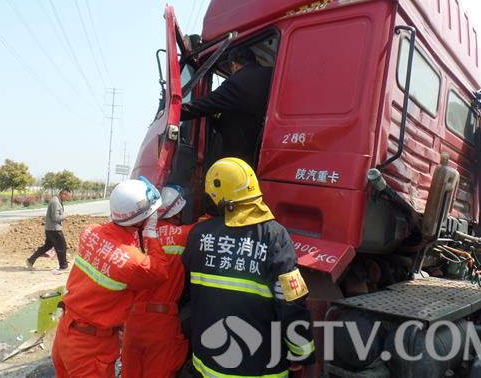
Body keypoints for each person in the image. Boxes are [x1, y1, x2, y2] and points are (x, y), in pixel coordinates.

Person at [182, 158, 315, 378]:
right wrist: (301, 352)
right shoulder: (275, 235)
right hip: (261, 367)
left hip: (207, 364)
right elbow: (292, 300)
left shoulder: (199, 234)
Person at [51, 177, 170, 378]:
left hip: (66, 331)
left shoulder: (89, 232)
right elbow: (160, 272)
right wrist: (150, 233)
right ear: (144, 218)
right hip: (90, 348)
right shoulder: (132, 262)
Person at [121, 185, 192, 378]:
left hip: (133, 321)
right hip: (162, 322)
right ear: (179, 212)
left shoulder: (134, 238)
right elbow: (211, 225)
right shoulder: (185, 234)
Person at [180, 46, 272, 166]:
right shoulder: (271, 73)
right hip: (268, 150)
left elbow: (206, 104)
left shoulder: (237, 82)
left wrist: (176, 112)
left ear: (234, 65)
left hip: (241, 161)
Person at [26, 189, 71, 271]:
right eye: (67, 196)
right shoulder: (55, 202)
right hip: (54, 229)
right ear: (63, 194)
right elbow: (55, 218)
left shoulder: (57, 201)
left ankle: (30, 260)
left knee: (47, 246)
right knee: (61, 247)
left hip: (51, 229)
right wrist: (65, 216)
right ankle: (63, 266)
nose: (68, 198)